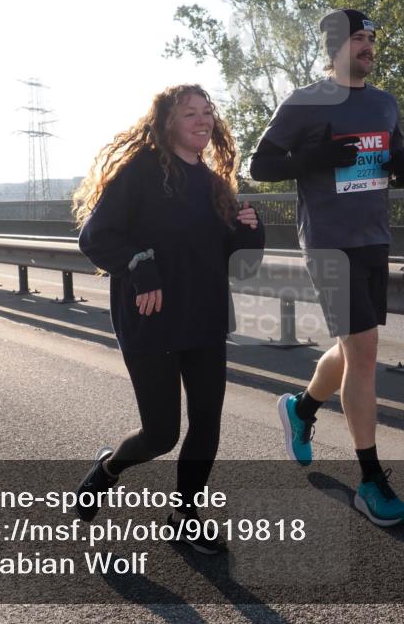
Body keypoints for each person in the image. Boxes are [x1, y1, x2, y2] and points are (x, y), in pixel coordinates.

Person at [71, 84, 265, 554]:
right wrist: (141, 266)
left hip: (204, 317)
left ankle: (184, 515)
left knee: (207, 422)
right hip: (151, 320)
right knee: (161, 434)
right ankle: (109, 468)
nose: (202, 121)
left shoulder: (216, 184)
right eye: (189, 115)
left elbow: (232, 260)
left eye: (207, 113)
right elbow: (95, 237)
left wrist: (248, 233)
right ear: (167, 124)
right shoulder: (140, 173)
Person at [248, 9, 404, 527]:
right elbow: (259, 167)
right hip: (327, 243)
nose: (367, 47)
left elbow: (398, 158)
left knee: (352, 349)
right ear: (334, 47)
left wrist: (403, 166)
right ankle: (370, 481)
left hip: (373, 238)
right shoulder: (304, 102)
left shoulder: (385, 103)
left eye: (370, 39)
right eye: (358, 40)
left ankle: (300, 409)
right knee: (365, 350)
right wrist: (316, 157)